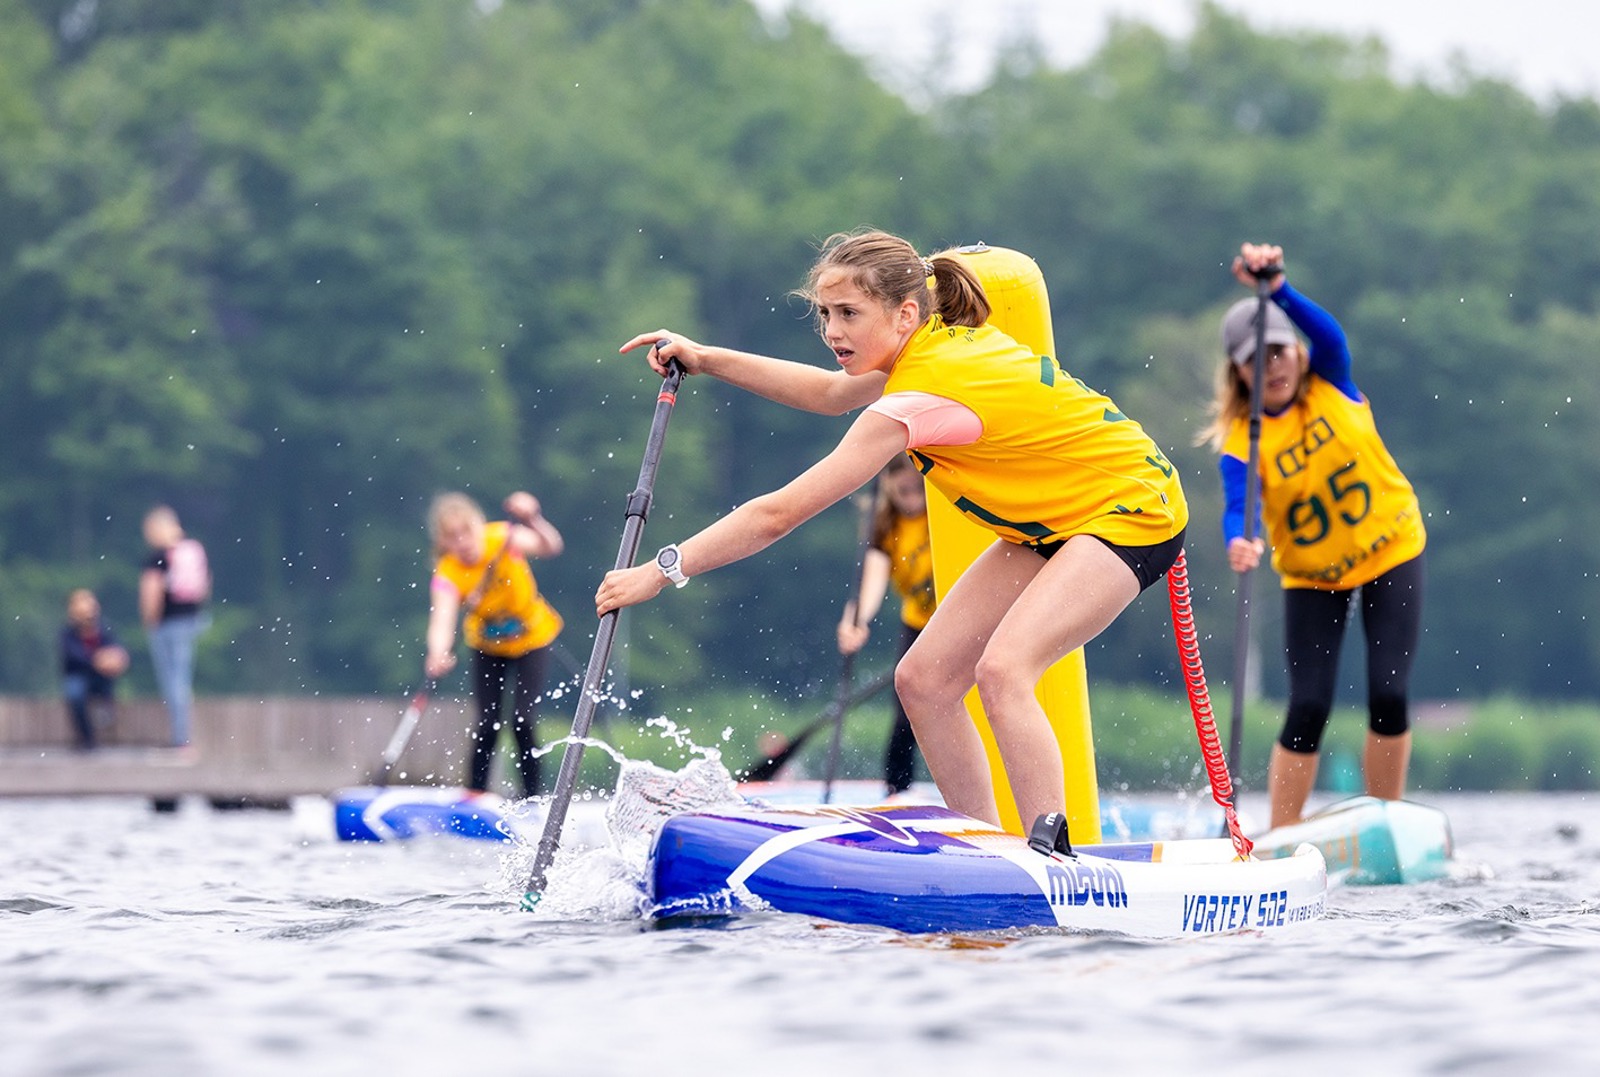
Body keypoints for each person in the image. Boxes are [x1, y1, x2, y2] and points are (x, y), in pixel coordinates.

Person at [600, 229, 1187, 832]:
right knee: (924, 680)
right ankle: (984, 850)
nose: (832, 331)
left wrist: (659, 571)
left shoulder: (925, 387)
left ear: (905, 312)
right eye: (825, 314)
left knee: (1004, 671)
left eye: (849, 314)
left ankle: (1054, 858)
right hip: (1056, 520)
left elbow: (778, 514)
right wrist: (707, 358)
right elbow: (830, 394)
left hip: (1132, 510)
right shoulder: (921, 345)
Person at [1203, 242, 1426, 829]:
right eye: (1257, 359)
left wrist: (1277, 289)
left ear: (1297, 354)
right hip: (1313, 576)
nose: (1272, 367)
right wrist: (1239, 541)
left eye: (1280, 352)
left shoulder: (1332, 377)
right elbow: (1239, 510)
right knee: (1307, 706)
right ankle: (1280, 836)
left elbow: (1328, 335)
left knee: (1388, 691)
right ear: (1239, 372)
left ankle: (1385, 821)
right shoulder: (1241, 444)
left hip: (1391, 550)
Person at [424, 490, 564, 799]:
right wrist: (438, 653)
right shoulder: (448, 572)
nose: (462, 541)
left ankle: (532, 799)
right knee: (487, 723)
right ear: (443, 542)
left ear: (478, 526)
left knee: (522, 721)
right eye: (453, 536)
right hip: (487, 647)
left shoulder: (503, 537)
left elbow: (551, 546)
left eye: (466, 532)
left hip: (533, 639)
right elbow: (442, 620)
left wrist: (532, 519)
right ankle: (475, 795)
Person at [836, 454, 937, 794]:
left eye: (917, 490)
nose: (911, 500)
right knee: (907, 709)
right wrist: (857, 620)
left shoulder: (945, 513)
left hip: (965, 622)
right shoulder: (885, 526)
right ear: (889, 487)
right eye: (902, 492)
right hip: (919, 625)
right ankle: (897, 790)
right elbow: (873, 583)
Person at [140, 505, 210, 747]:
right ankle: (184, 736)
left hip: (168, 623)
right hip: (192, 620)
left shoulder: (159, 557)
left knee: (173, 680)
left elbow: (152, 593)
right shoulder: (191, 551)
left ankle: (181, 738)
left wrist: (150, 622)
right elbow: (205, 585)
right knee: (183, 677)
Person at [60, 588, 130, 750]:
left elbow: (119, 651)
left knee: (106, 689)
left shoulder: (105, 630)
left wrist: (117, 659)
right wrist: (98, 660)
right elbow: (74, 655)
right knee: (75, 694)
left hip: (102, 678)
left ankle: (105, 714)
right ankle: (86, 737)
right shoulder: (68, 633)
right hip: (79, 675)